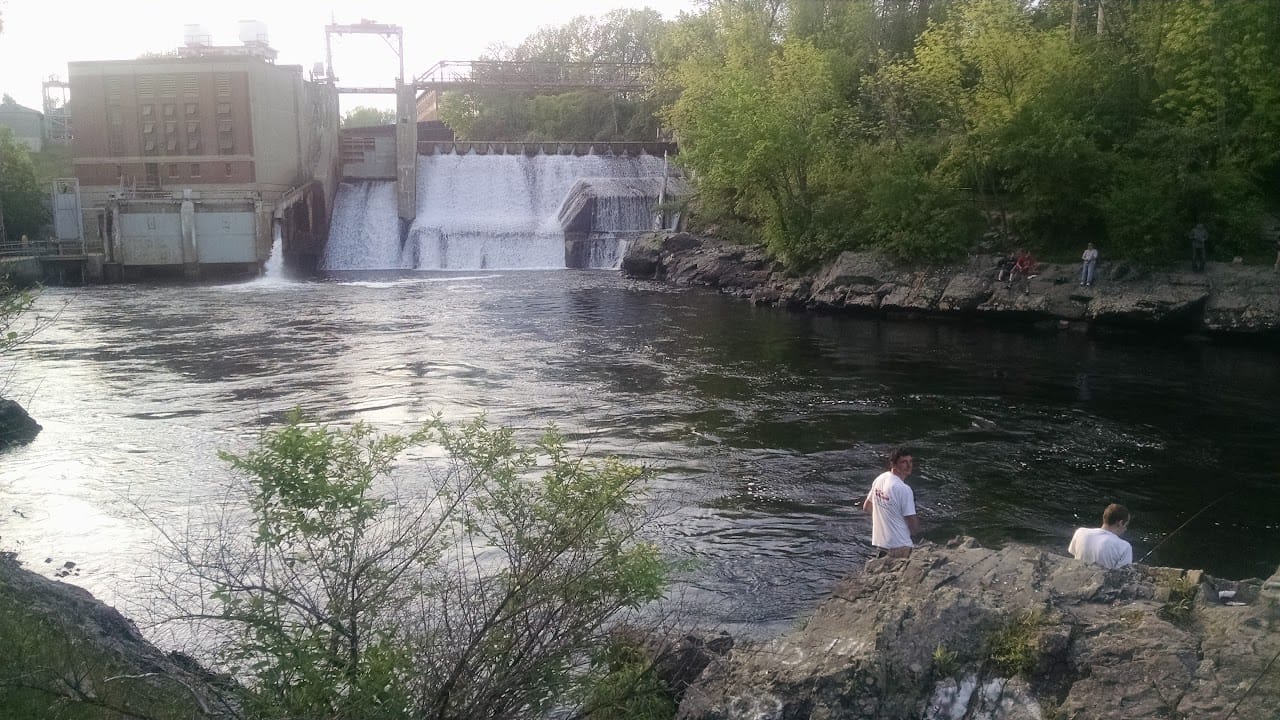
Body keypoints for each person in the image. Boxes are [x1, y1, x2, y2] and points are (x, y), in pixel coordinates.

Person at [862, 447, 919, 558]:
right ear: (893, 464)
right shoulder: (904, 489)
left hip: (882, 546)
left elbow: (867, 507)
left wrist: (885, 521)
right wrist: (915, 531)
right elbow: (911, 520)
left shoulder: (880, 478)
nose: (909, 465)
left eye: (910, 461)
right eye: (904, 462)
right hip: (901, 547)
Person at [1068, 503, 1133, 569]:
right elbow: (1123, 574)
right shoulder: (1124, 547)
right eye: (1126, 525)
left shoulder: (1080, 532)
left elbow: (1072, 553)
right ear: (1120, 523)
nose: (1126, 529)